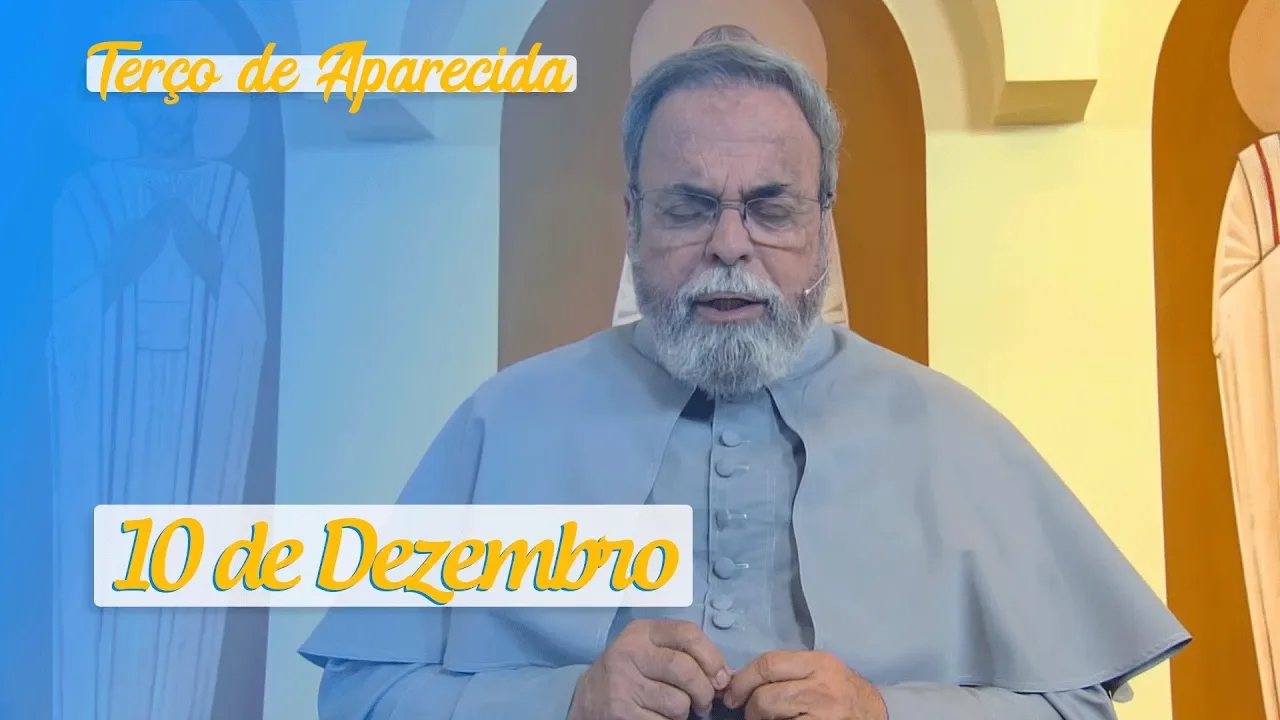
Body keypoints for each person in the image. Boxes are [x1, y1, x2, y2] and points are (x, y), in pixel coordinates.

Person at [300, 41, 1190, 720]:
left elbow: (1079, 709)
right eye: (689, 207)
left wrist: (885, 713)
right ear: (633, 221)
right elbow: (359, 698)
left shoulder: (947, 430)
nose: (730, 245)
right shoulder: (506, 421)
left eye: (770, 207)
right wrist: (565, 701)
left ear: (822, 225)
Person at [48, 24, 266, 720]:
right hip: (111, 424)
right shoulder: (87, 193)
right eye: (151, 93)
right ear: (127, 103)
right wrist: (123, 263)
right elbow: (65, 329)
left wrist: (210, 264)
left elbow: (249, 324)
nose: (168, 108)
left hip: (198, 423)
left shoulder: (228, 194)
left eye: (181, 92)